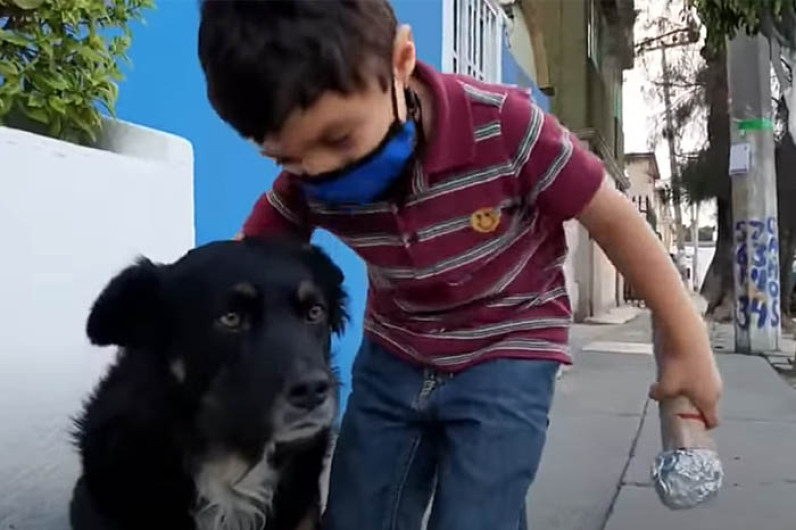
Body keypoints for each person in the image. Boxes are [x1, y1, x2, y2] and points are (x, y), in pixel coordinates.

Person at [197, 2, 723, 528]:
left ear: (400, 61)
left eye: (338, 139)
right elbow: (242, 266)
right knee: (359, 515)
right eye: (288, 158)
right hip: (394, 355)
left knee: (476, 516)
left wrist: (687, 342)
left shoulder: (507, 128)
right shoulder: (308, 184)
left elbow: (614, 221)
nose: (321, 170)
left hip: (508, 350)